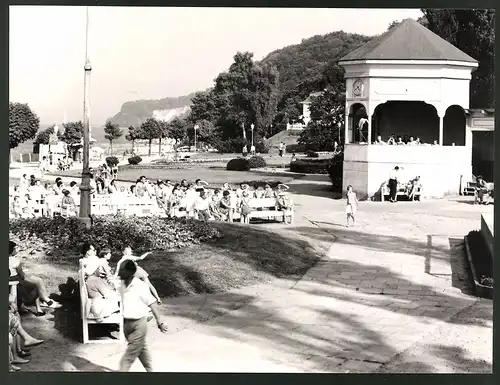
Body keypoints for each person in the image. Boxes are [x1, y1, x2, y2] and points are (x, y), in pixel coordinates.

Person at [117, 260, 168, 372]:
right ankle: (151, 373)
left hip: (139, 325)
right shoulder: (122, 285)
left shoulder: (140, 286)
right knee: (141, 350)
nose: (119, 273)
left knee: (127, 358)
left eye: (122, 270)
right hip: (127, 324)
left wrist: (160, 322)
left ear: (130, 272)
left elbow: (152, 304)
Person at [9, 240, 62, 316]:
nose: (16, 250)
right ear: (11, 250)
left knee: (34, 280)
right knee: (34, 286)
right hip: (15, 281)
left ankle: (43, 301)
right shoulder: (16, 260)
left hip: (10, 280)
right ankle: (39, 309)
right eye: (15, 248)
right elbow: (22, 275)